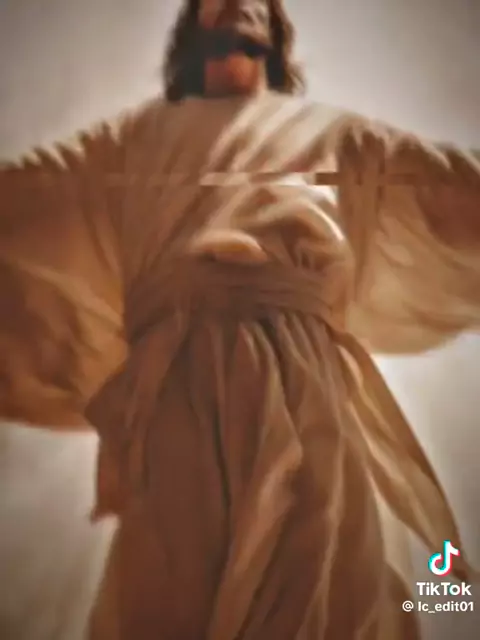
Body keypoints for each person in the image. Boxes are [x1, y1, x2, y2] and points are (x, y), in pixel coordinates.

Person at [1, 1, 479, 638]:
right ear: (193, 24)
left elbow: (449, 190)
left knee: (315, 587)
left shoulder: (335, 136)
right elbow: (26, 198)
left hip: (304, 394)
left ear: (275, 31)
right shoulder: (131, 142)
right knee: (174, 598)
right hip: (177, 399)